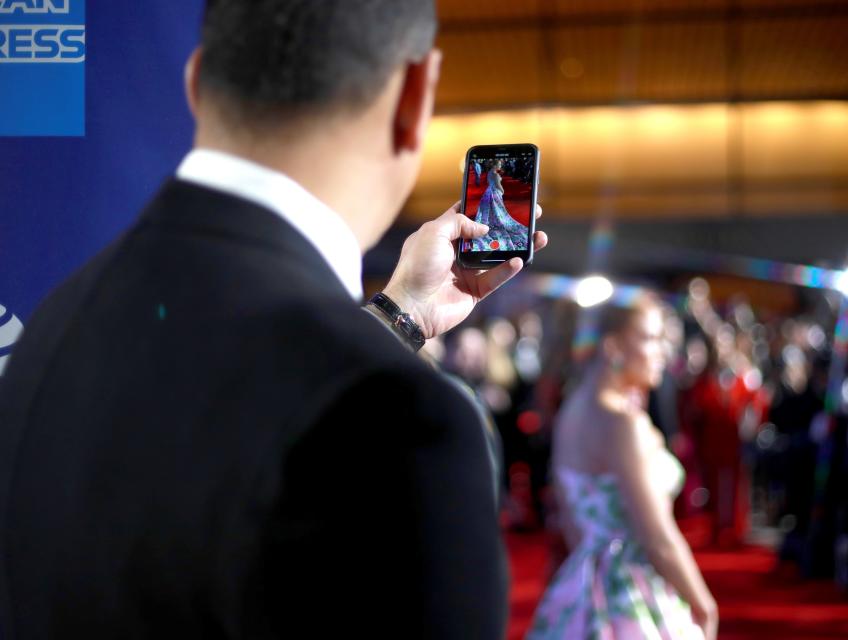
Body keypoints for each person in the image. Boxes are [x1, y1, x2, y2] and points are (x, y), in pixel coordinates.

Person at [0, 1, 547, 638]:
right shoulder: (403, 420)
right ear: (414, 98)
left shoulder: (57, 323)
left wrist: (403, 316)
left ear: (197, 82)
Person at [528, 297, 717, 640]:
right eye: (650, 338)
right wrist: (704, 604)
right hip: (631, 592)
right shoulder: (620, 423)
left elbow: (570, 522)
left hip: (582, 585)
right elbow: (657, 537)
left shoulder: (572, 410)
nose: (663, 352)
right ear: (613, 346)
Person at [473, 159, 529, 252]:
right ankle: (496, 220)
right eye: (499, 164)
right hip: (495, 192)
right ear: (495, 165)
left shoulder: (490, 172)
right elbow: (499, 185)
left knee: (491, 208)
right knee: (498, 209)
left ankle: (490, 220)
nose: (500, 166)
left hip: (488, 191)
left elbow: (488, 182)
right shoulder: (495, 174)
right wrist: (502, 191)